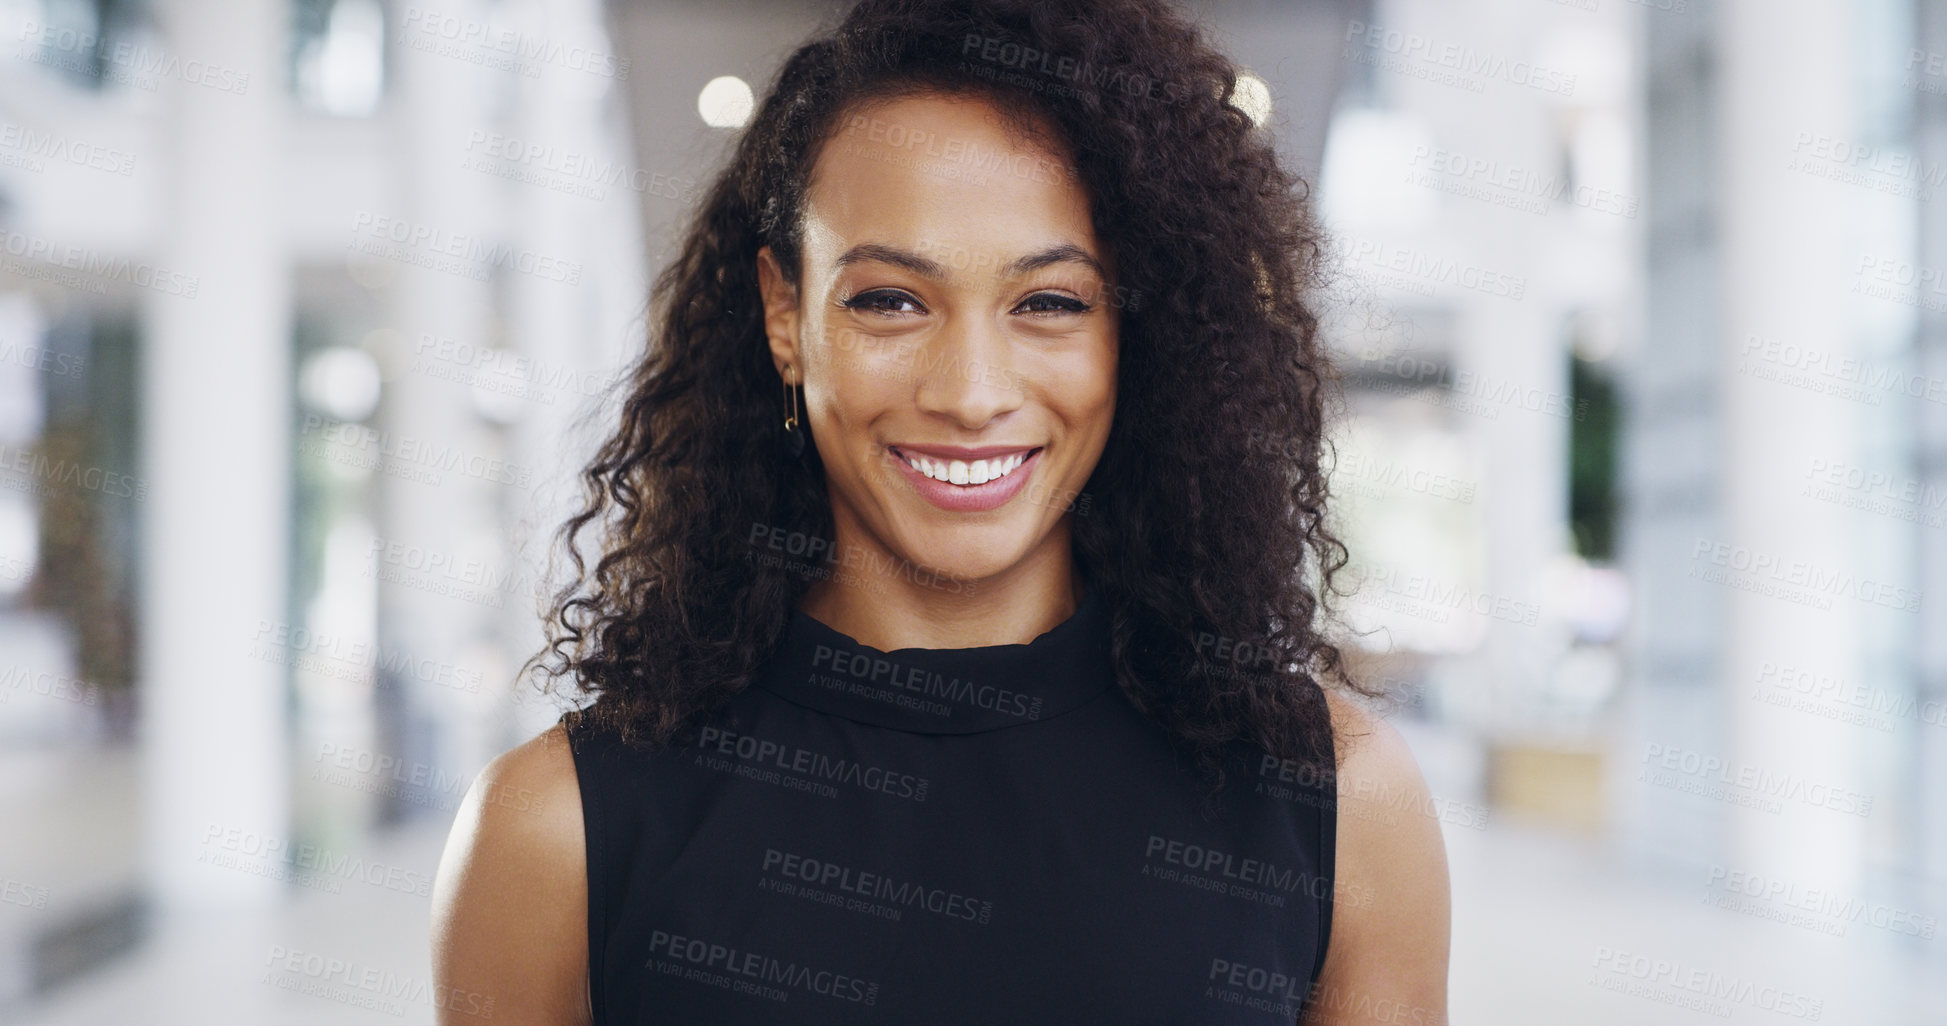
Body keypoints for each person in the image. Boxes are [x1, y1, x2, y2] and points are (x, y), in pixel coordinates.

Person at [431, 0, 1450, 1022]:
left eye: (1050, 302)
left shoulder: (1336, 807)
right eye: (890, 300)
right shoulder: (556, 832)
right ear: (786, 317)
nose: (969, 394)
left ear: (1140, 334)